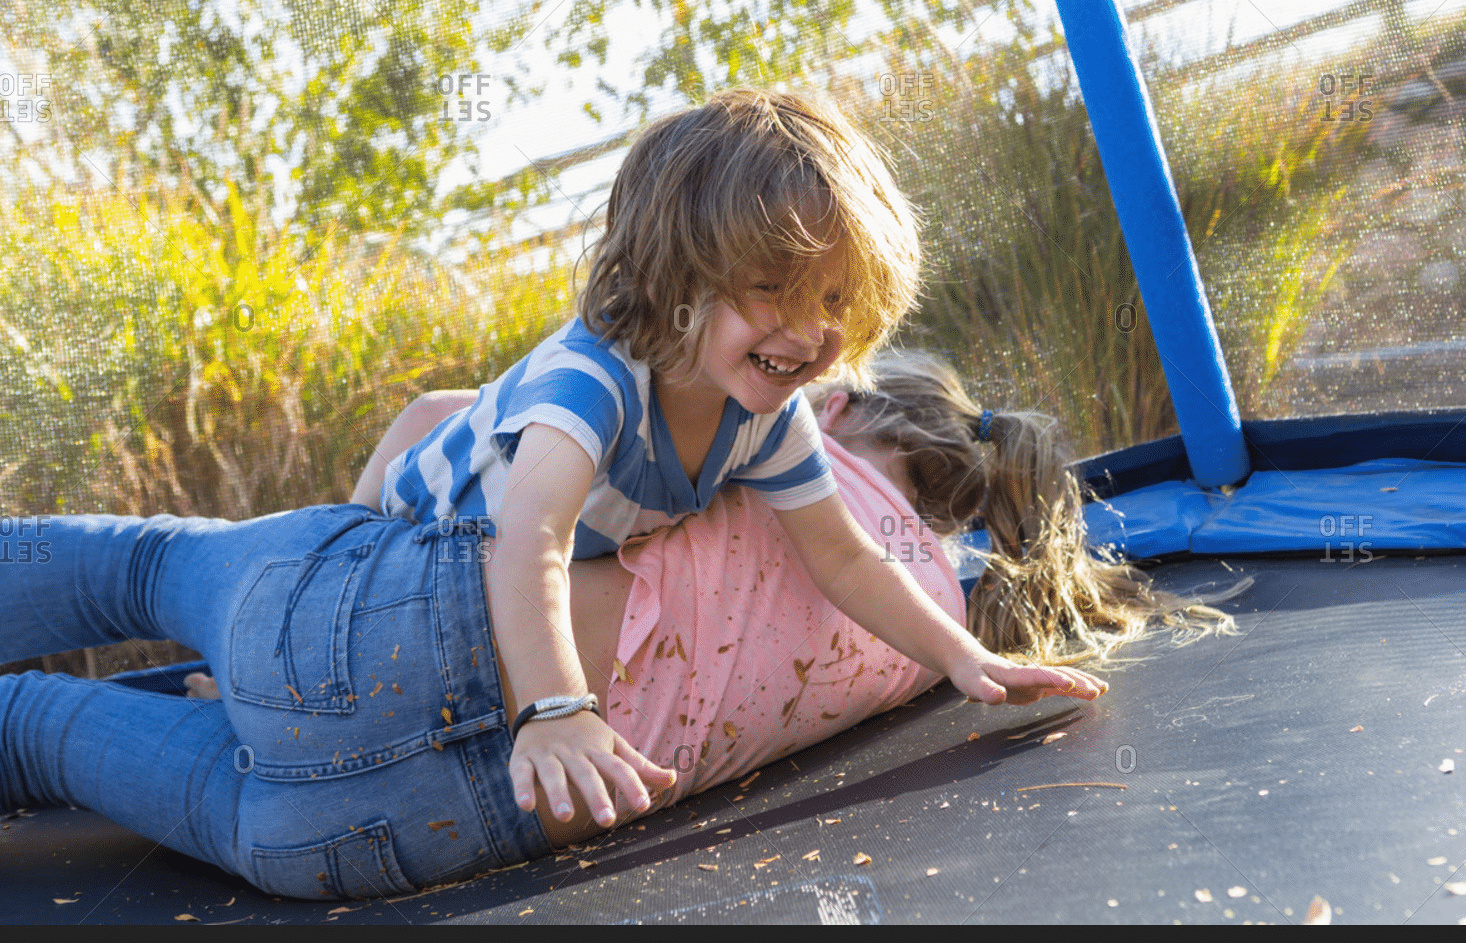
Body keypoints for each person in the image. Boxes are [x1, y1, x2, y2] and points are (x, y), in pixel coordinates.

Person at [0, 350, 1133, 899]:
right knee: (29, 728)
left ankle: (258, 669)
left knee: (143, 567)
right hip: (394, 836)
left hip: (384, 626)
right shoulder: (931, 630)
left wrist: (339, 561)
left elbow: (442, 425)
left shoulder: (773, 421)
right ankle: (245, 695)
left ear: (839, 402)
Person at [359, 87, 1093, 836]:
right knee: (423, 431)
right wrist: (557, 711)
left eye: (833, 298)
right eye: (772, 288)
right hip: (412, 543)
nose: (809, 332)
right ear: (670, 273)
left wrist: (966, 657)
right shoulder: (592, 387)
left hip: (491, 553)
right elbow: (533, 540)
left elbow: (842, 555)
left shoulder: (764, 413)